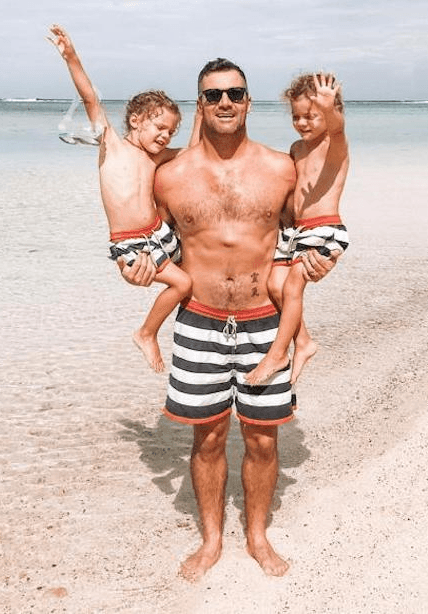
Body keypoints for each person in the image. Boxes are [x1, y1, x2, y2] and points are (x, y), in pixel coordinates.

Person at [121, 58, 338, 580]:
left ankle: (257, 536)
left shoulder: (280, 168)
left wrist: (321, 260)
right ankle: (212, 539)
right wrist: (135, 269)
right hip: (199, 321)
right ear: (200, 104)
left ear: (248, 102)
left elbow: (306, 234)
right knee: (208, 438)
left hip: (265, 320)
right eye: (214, 95)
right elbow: (145, 238)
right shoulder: (169, 176)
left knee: (263, 439)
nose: (225, 102)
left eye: (235, 94)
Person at [48, 24, 196, 372]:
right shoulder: (111, 145)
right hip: (130, 241)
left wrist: (204, 113)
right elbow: (90, 98)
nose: (166, 136)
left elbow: (194, 153)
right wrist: (71, 57)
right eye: (160, 127)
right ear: (135, 120)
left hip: (160, 232)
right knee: (183, 282)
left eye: (171, 131)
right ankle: (146, 333)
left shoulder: (156, 157)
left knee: (196, 277)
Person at [245, 73, 349, 386]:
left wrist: (329, 109)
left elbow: (337, 127)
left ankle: (278, 353)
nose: (302, 123)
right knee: (274, 284)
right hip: (295, 231)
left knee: (292, 287)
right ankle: (303, 341)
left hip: (324, 227)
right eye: (296, 116)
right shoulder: (296, 148)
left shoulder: (334, 145)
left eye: (311, 116)